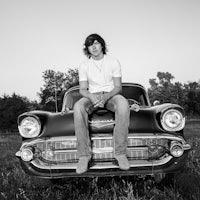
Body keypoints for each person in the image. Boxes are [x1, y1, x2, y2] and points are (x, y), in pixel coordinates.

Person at [74, 33, 130, 174]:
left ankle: (120, 153)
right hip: (91, 95)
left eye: (96, 43)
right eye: (90, 44)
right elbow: (82, 89)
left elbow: (118, 87)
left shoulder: (113, 61)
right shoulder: (84, 65)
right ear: (87, 48)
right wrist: (92, 97)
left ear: (102, 45)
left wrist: (106, 97)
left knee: (123, 104)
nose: (94, 47)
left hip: (111, 95)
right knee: (78, 106)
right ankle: (84, 155)